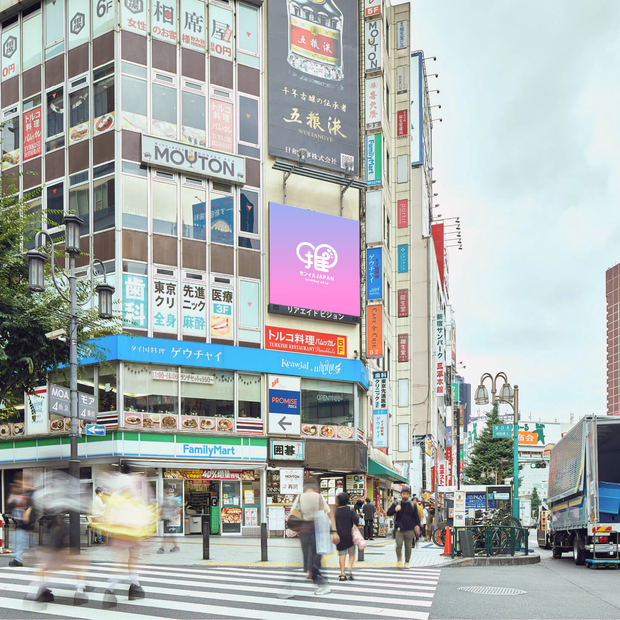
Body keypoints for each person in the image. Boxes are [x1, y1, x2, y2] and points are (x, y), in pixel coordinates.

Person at [298, 478, 337, 595]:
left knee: (310, 561)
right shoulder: (318, 497)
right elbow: (329, 513)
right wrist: (334, 531)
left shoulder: (300, 498)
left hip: (305, 532)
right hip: (317, 531)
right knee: (314, 560)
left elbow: (294, 516)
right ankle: (316, 577)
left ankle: (323, 584)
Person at [387, 487, 420, 569]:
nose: (405, 495)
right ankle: (399, 559)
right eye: (403, 494)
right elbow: (388, 513)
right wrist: (395, 509)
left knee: (408, 547)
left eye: (407, 494)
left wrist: (417, 525)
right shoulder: (396, 503)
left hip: (409, 529)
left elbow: (416, 517)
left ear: (409, 495)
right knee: (399, 545)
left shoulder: (412, 505)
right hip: (399, 529)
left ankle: (407, 562)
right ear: (401, 494)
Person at [8, 475, 35, 567]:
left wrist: (27, 512)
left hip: (26, 523)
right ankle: (18, 559)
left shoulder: (31, 493)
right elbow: (11, 503)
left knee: (26, 542)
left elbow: (32, 504)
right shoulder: (22, 494)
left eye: (20, 483)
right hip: (20, 523)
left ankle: (19, 559)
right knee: (20, 541)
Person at [335, 493, 359, 581]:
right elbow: (356, 519)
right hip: (350, 534)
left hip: (339, 535)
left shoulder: (335, 511)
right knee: (352, 553)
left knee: (342, 554)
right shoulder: (350, 509)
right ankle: (350, 568)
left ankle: (342, 574)